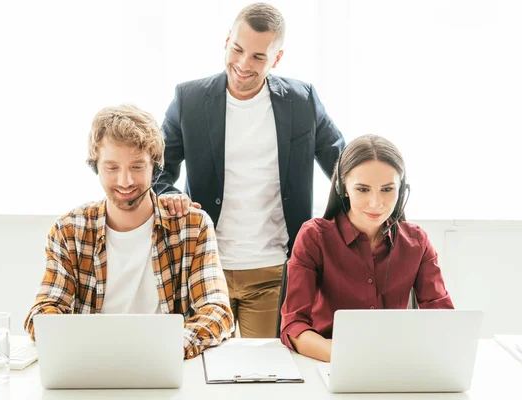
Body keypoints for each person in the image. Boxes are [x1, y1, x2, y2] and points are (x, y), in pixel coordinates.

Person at [155, 2, 345, 338]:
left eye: (258, 57)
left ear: (277, 58)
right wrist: (169, 194)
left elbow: (344, 167)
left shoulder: (303, 100)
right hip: (204, 266)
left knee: (268, 377)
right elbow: (157, 169)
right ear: (227, 40)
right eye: (237, 49)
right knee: (201, 374)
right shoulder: (190, 99)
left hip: (273, 270)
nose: (243, 64)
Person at [24, 104, 234, 359]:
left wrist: (166, 349)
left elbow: (217, 310)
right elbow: (44, 311)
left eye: (137, 167)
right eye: (112, 168)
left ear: (154, 167)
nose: (125, 181)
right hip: (92, 365)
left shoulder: (192, 226)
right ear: (95, 166)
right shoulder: (69, 230)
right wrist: (82, 347)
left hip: (164, 364)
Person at [280, 134, 454, 361]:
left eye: (387, 189)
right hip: (329, 361)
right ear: (343, 188)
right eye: (362, 189)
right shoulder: (315, 237)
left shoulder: (417, 242)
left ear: (401, 190)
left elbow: (443, 318)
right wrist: (347, 356)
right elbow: (294, 324)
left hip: (395, 363)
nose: (376, 203)